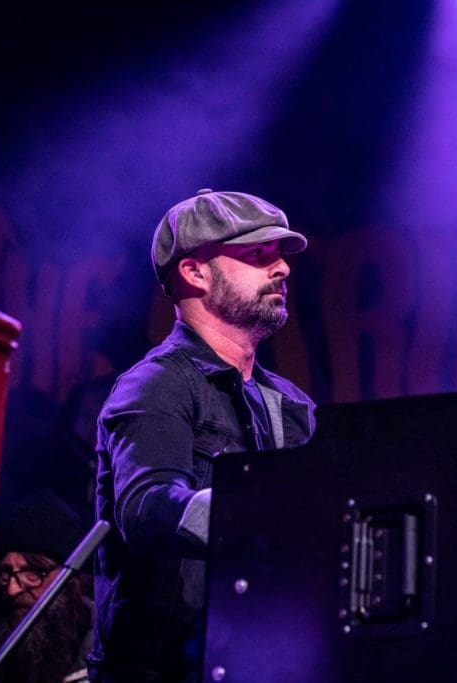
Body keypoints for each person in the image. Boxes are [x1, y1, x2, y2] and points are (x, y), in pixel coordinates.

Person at [88, 189, 317, 682]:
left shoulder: (293, 407)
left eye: (279, 256)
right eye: (258, 254)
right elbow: (147, 507)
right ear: (195, 272)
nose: (282, 269)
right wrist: (267, 516)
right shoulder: (157, 384)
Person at [0, 491, 94, 683]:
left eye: (33, 574)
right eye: (6, 573)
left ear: (73, 581)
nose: (12, 589)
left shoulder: (109, 661)